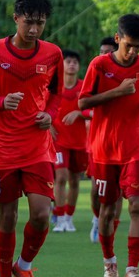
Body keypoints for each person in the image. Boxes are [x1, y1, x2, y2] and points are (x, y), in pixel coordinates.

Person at [0, 0, 62, 277]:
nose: (34, 29)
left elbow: (58, 94)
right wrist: (0, 102)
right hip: (2, 148)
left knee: (41, 214)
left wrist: (50, 114)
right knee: (6, 217)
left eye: (40, 23)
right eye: (29, 22)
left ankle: (24, 267)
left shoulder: (52, 54)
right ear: (16, 19)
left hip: (38, 147)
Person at [78, 13, 139, 277]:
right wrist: (117, 91)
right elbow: (83, 103)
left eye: (138, 46)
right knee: (107, 210)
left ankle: (132, 269)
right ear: (117, 39)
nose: (133, 51)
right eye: (128, 45)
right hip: (104, 150)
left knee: (137, 206)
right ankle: (109, 263)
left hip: (135, 150)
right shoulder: (100, 65)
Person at [51, 49, 88, 234]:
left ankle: (69, 218)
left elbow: (94, 110)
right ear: (62, 65)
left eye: (75, 61)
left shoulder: (84, 87)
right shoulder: (55, 87)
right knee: (61, 177)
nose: (72, 64)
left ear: (79, 66)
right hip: (59, 141)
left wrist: (79, 113)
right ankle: (58, 218)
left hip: (80, 141)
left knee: (74, 180)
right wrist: (49, 124)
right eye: (68, 61)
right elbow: (41, 106)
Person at [88, 36, 120, 243]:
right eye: (101, 51)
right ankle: (97, 218)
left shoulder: (124, 77)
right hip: (98, 142)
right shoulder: (95, 74)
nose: (103, 55)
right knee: (95, 189)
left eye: (108, 51)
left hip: (122, 144)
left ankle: (109, 231)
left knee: (118, 192)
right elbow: (82, 102)